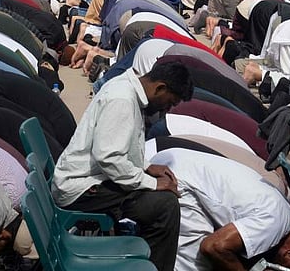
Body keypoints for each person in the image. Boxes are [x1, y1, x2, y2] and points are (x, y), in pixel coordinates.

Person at [52, 60, 194, 271]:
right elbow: (109, 158)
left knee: (159, 199)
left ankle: (143, 262)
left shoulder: (127, 90)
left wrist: (146, 167)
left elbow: (119, 146)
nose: (167, 108)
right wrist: (152, 183)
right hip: (80, 188)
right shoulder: (123, 99)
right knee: (165, 207)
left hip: (91, 178)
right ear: (160, 88)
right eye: (170, 102)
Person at [148, 148, 290, 271]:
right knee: (197, 265)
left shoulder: (283, 216)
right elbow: (213, 247)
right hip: (177, 179)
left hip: (174, 162)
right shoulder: (273, 223)